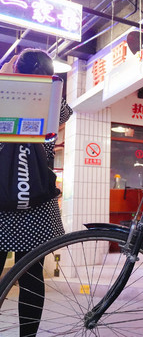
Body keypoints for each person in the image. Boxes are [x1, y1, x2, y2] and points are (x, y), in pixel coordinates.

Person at [0, 48, 73, 336]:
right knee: (31, 277)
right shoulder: (52, 101)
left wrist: (7, 74)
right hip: (39, 201)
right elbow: (65, 112)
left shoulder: (4, 92)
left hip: (1, 199)